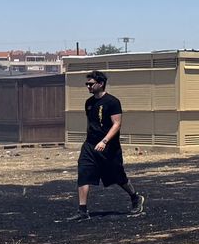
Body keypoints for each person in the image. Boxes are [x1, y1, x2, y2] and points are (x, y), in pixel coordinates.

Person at [62, 70, 145, 221]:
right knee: (84, 172)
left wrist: (104, 141)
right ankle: (82, 211)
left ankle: (135, 197)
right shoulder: (89, 103)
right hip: (90, 145)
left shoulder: (112, 102)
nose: (88, 86)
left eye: (91, 84)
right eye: (87, 84)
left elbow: (117, 124)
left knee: (117, 176)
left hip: (109, 147)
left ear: (100, 84)